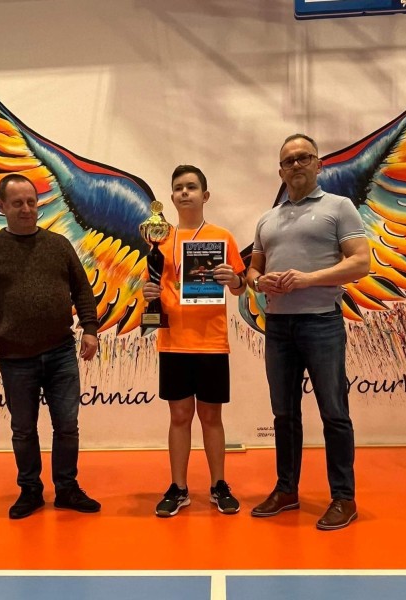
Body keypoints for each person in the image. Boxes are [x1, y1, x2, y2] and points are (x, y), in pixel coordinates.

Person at [247, 134, 370, 530]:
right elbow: (253, 269)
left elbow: (361, 263)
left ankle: (344, 498)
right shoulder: (267, 219)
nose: (296, 164)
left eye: (304, 157)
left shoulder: (339, 207)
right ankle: (286, 490)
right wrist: (259, 281)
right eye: (289, 160)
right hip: (278, 327)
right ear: (280, 171)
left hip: (322, 322)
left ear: (319, 164)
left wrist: (308, 279)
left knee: (334, 413)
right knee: (283, 414)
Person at [0, 173, 101, 519]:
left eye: (31, 201)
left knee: (67, 426)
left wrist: (90, 328)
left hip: (61, 352)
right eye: (17, 203)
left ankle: (67, 488)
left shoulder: (59, 245)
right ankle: (30, 490)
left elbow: (82, 289)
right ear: (1, 205)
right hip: (15, 358)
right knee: (23, 430)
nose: (27, 209)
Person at [143, 165, 247, 517]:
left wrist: (233, 279)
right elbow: (150, 285)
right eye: (178, 187)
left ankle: (219, 485)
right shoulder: (159, 239)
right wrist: (147, 293)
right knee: (179, 416)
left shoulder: (222, 238)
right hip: (173, 342)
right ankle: (179, 487)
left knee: (211, 417)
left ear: (205, 195)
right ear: (171, 197)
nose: (184, 192)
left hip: (211, 342)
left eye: (191, 186)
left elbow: (240, 287)